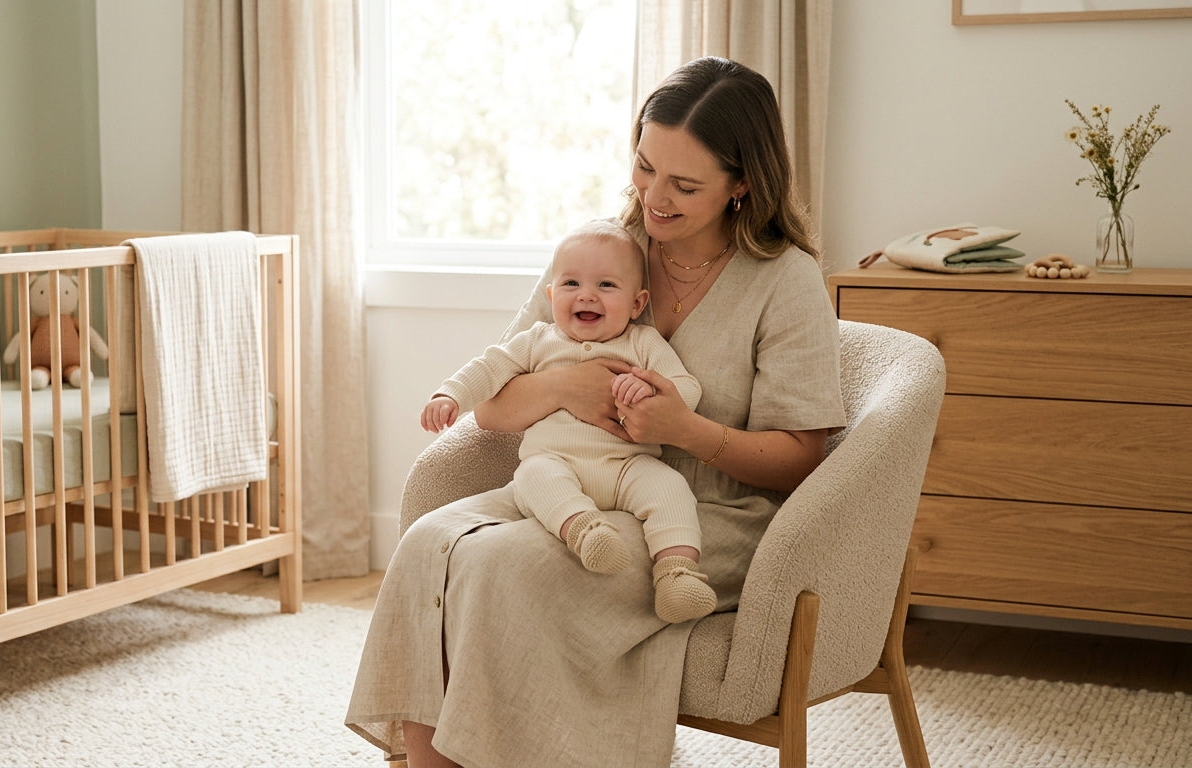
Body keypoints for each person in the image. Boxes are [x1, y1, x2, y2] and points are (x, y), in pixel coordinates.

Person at [347, 56, 845, 768]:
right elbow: (495, 401)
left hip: (702, 517)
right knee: (430, 542)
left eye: (684, 185)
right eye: (644, 167)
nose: (654, 197)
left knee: (503, 566)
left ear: (741, 184)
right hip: (569, 486)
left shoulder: (784, 279)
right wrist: (565, 388)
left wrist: (685, 430)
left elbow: (801, 457)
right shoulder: (603, 250)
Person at [421, 219, 716, 624]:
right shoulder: (538, 340)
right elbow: (490, 368)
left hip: (628, 465)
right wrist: (451, 394)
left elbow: (688, 388)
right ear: (551, 294)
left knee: (671, 488)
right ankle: (585, 531)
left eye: (606, 285)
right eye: (571, 284)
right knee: (532, 476)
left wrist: (650, 389)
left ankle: (676, 574)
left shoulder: (643, 344)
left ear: (637, 304)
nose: (587, 295)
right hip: (556, 462)